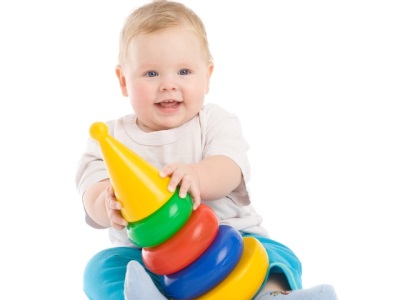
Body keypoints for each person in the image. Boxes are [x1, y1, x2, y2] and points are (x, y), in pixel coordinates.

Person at [75, 1, 338, 299]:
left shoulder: (214, 121)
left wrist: (197, 176)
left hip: (230, 241)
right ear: (123, 81)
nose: (168, 85)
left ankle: (273, 295)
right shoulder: (109, 139)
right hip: (151, 260)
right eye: (151, 74)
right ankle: (140, 296)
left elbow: (229, 168)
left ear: (208, 76)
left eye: (184, 71)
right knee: (101, 268)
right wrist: (106, 203)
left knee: (277, 256)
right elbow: (91, 192)